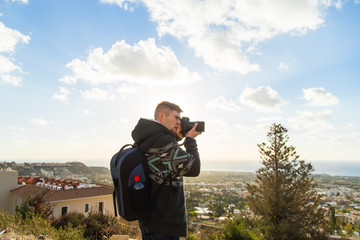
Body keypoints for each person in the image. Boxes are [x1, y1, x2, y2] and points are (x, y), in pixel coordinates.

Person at [131, 101, 202, 240]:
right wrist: (190, 140)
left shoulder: (150, 138)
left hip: (152, 219)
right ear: (161, 116)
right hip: (161, 224)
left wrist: (178, 138)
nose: (179, 122)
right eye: (176, 118)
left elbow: (166, 159)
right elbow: (194, 168)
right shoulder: (162, 142)